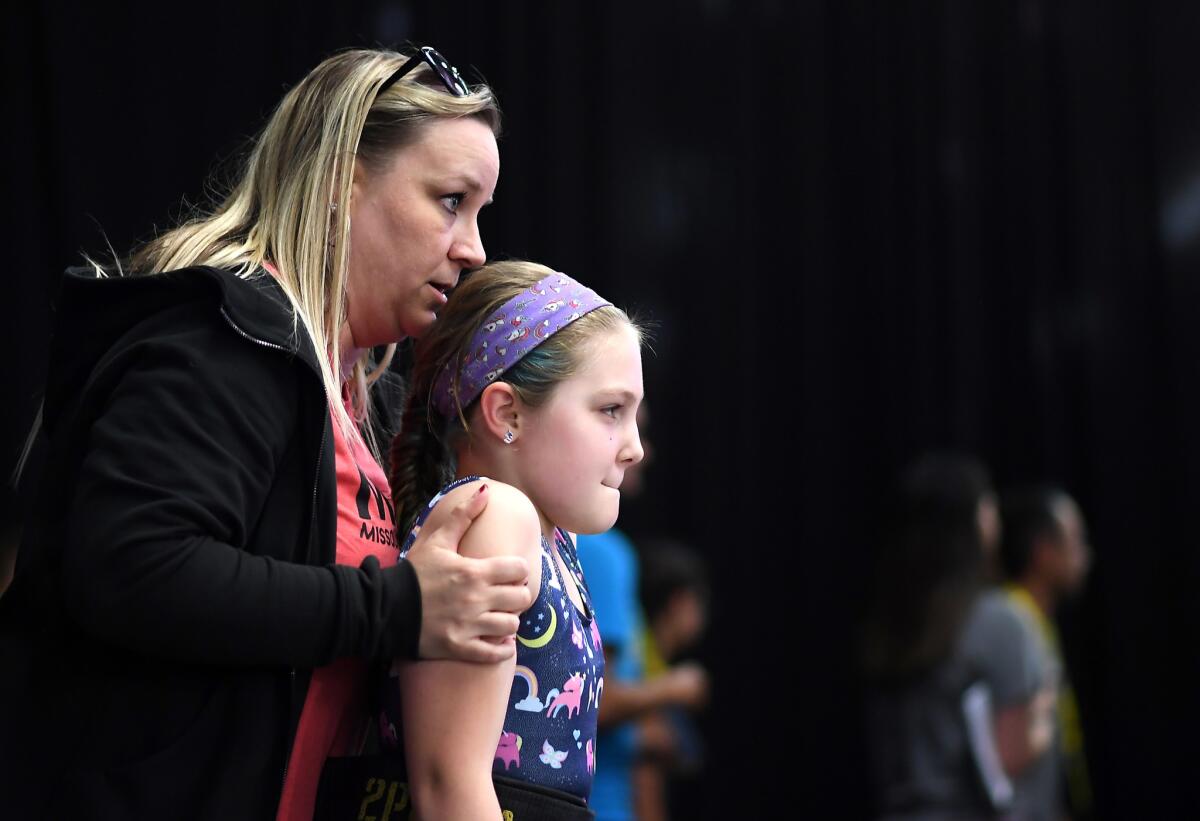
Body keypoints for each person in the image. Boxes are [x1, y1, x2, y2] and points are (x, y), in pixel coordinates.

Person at [0, 46, 536, 820]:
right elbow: (132, 567)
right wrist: (398, 607)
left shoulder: (364, 392)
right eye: (450, 200)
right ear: (340, 183)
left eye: (479, 211)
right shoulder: (224, 339)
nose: (474, 247)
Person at [383, 260, 646, 818]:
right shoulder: (497, 517)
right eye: (610, 411)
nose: (634, 447)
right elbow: (448, 783)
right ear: (507, 413)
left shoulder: (556, 540)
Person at [861, 453, 1057, 820]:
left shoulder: (890, 624)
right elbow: (1010, 758)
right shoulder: (997, 621)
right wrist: (1043, 721)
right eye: (988, 508)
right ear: (976, 522)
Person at [576, 407, 709, 821]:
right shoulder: (605, 551)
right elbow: (598, 703)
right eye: (612, 414)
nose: (640, 450)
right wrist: (679, 687)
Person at [999, 485, 1094, 819]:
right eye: (1075, 541)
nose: (1085, 556)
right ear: (1043, 551)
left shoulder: (1037, 620)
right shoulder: (1010, 623)